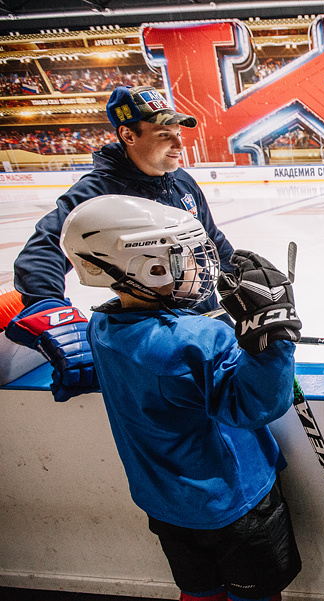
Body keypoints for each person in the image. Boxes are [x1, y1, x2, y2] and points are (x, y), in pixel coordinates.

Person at [58, 194, 303, 601]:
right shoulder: (199, 340)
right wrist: (272, 335)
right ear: (145, 267)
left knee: (199, 592)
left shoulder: (100, 326)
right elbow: (258, 405)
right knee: (255, 595)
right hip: (233, 502)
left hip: (165, 503)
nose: (192, 266)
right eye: (177, 258)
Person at [7, 84, 233, 403]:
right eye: (163, 134)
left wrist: (245, 281)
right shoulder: (98, 192)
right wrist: (54, 317)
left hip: (203, 323)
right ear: (128, 135)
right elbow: (42, 251)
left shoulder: (181, 180)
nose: (178, 143)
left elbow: (211, 240)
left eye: (177, 132)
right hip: (154, 344)